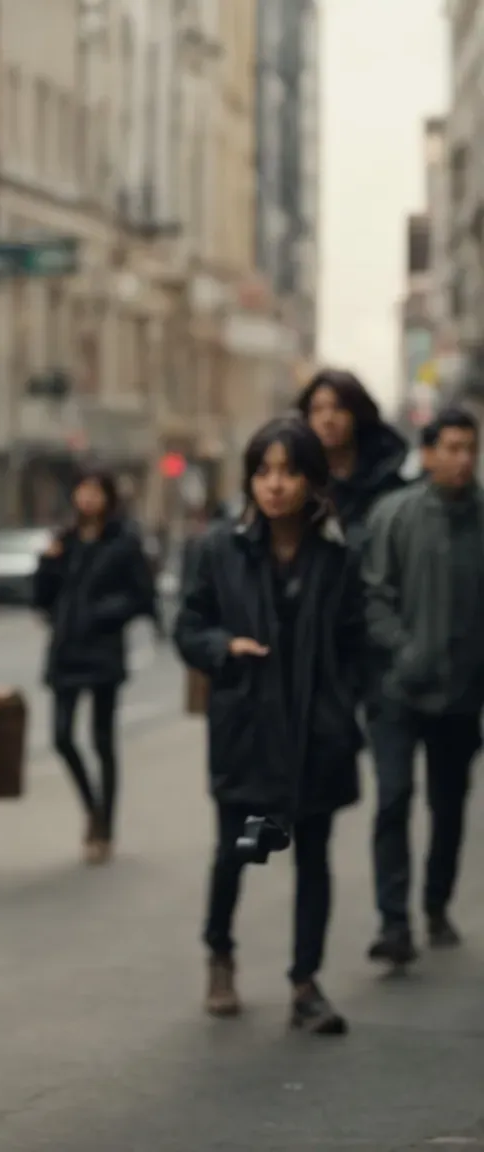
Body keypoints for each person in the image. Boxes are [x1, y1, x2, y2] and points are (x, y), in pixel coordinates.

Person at [174, 417, 364, 1034]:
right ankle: (220, 954)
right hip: (250, 733)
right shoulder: (221, 550)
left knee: (313, 857)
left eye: (289, 471)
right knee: (241, 851)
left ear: (312, 479)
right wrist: (222, 647)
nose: (276, 485)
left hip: (317, 736)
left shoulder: (336, 558)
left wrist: (343, 699)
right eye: (264, 471)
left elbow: (357, 640)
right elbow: (188, 625)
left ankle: (305, 984)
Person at [360, 408, 484, 967]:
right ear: (429, 453)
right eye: (451, 448)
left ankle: (435, 904)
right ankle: (393, 921)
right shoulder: (395, 514)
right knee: (393, 800)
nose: (462, 459)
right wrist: (405, 652)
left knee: (449, 806)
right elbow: (373, 594)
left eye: (470, 448)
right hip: (396, 691)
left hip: (461, 694)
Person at [33, 471, 156, 864]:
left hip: (102, 649)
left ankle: (106, 826)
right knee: (61, 736)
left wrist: (103, 615)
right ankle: (92, 807)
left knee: (103, 741)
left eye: (94, 492)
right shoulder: (64, 541)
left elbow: (141, 596)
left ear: (107, 497)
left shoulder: (123, 542)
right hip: (66, 649)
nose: (86, 499)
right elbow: (41, 596)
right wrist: (48, 565)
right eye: (80, 490)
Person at [297, 368, 412, 545]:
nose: (328, 419)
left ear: (357, 414)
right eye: (317, 409)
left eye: (339, 408)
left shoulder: (388, 486)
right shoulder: (300, 485)